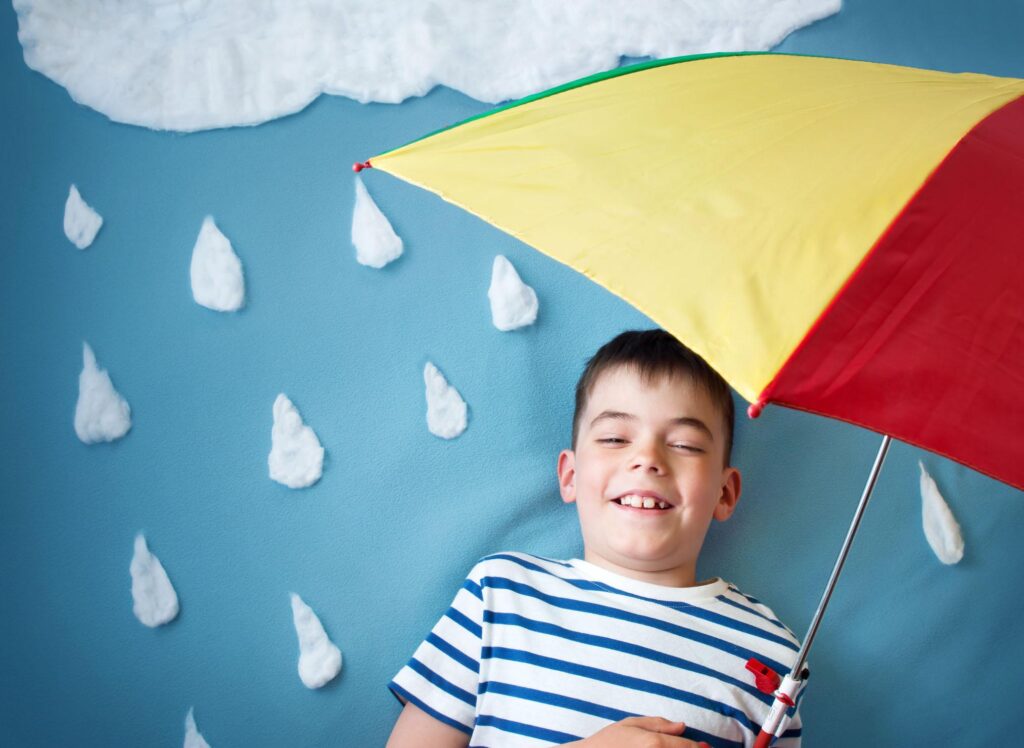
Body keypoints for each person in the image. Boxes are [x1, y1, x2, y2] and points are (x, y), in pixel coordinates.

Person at [386, 329, 805, 747]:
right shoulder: (501, 594)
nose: (647, 459)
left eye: (684, 444)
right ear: (570, 476)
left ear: (725, 492)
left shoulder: (772, 654)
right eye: (615, 439)